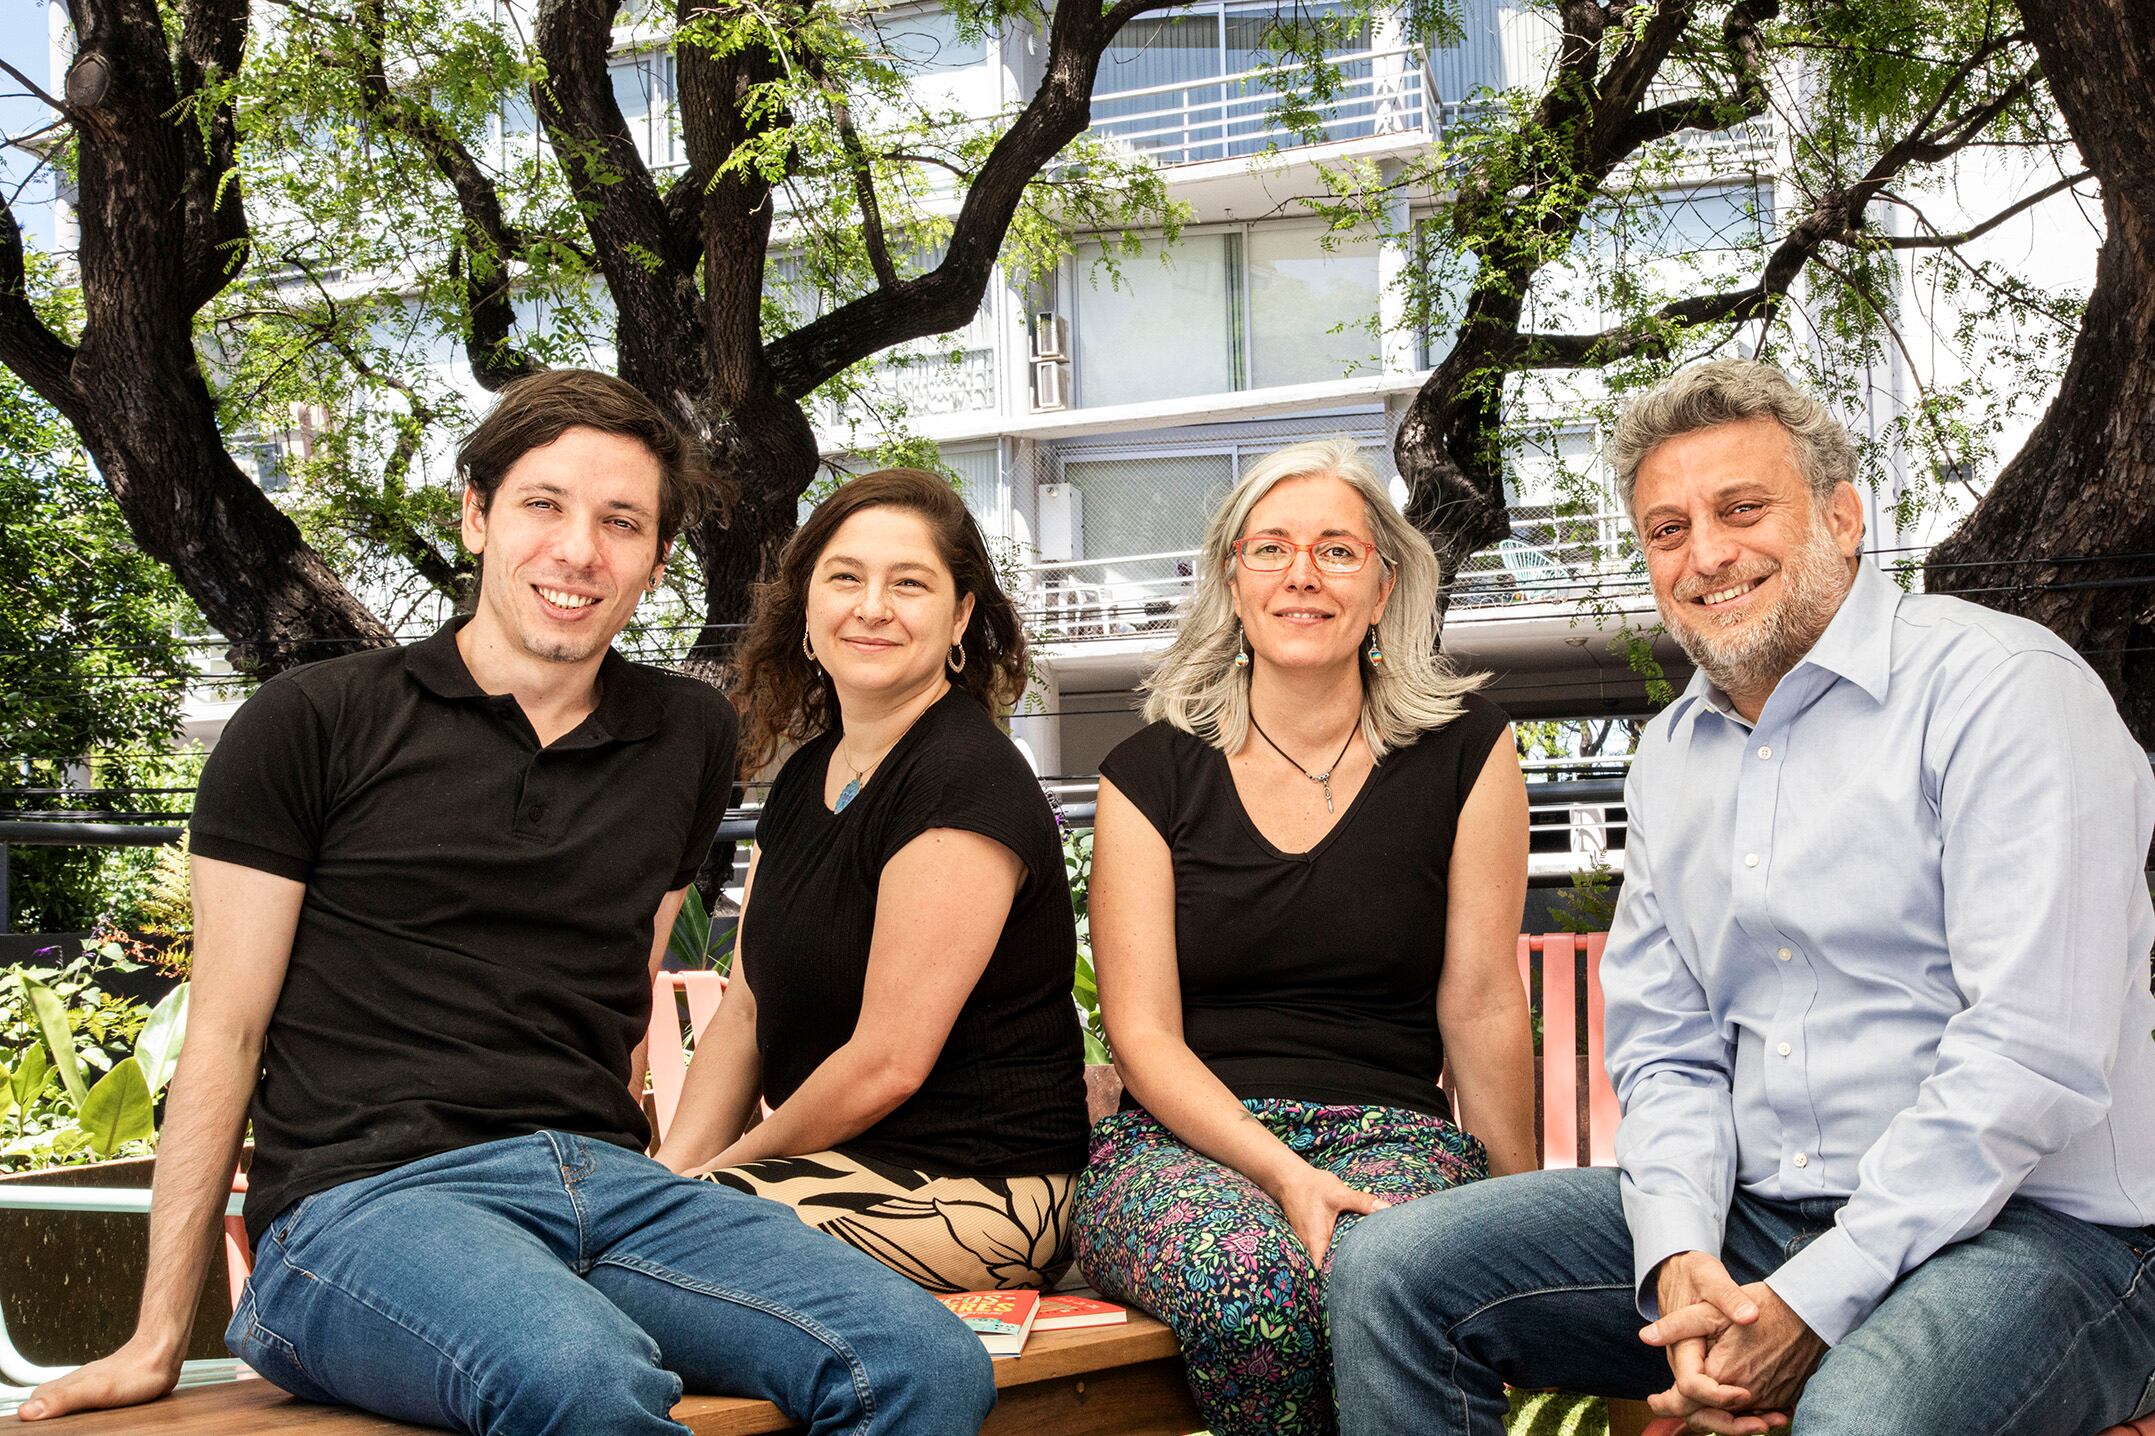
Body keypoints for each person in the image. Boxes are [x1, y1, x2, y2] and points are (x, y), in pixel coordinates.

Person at [19, 372, 996, 1435]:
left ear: (656, 558)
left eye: (621, 521)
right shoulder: (311, 722)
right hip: (362, 1210)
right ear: (477, 513)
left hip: (603, 1190)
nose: (580, 550)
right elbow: (225, 1026)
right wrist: (160, 1331)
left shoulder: (686, 736)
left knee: (921, 1360)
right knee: (580, 1370)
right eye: (544, 504)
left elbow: (624, 991)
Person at [1330, 358, 2155, 1436]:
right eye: (1666, 529)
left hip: (2041, 1232)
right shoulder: (1672, 755)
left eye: (1740, 508)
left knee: (1860, 1415)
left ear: (1844, 517)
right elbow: (1667, 1048)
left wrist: (1809, 1302)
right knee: (1394, 1269)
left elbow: (2028, 1053)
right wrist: (1679, 1256)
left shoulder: (2005, 692)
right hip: (1763, 1219)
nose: (1705, 553)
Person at [1071, 439, 1537, 1436]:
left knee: (1387, 1269)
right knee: (1253, 1283)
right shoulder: (1145, 771)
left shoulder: (1468, 747)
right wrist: (1282, 1171)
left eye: (1336, 550)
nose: (1300, 575)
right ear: (1231, 581)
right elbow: (1141, 1034)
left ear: (1384, 584)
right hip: (1181, 1144)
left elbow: (1484, 999)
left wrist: (1523, 1211)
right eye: (1270, 549)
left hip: (1393, 1135)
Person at [655, 468, 1090, 1293]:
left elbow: (888, 1062)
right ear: (807, 610)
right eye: (845, 577)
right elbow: (744, 1012)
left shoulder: (964, 776)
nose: (872, 606)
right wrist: (669, 1170)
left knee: (649, 1253)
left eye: (910, 584)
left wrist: (706, 1182)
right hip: (823, 1172)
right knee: (610, 1230)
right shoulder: (804, 775)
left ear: (960, 616)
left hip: (979, 1189)